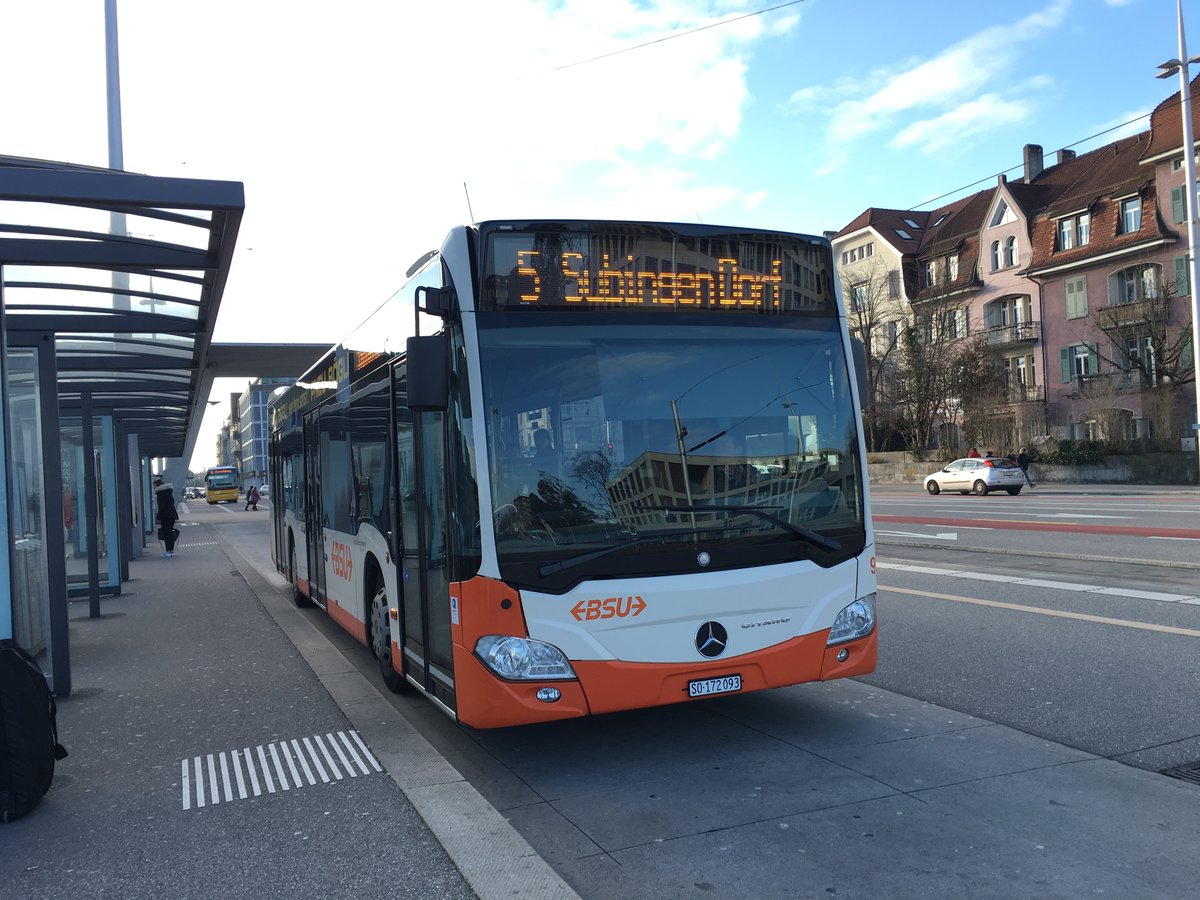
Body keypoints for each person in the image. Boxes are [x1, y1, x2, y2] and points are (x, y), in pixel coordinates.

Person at [154, 477, 179, 557]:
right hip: (171, 515)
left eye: (154, 486)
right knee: (169, 533)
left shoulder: (161, 494)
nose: (153, 487)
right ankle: (170, 551)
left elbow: (162, 506)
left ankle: (168, 551)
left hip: (166, 516)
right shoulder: (167, 492)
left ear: (157, 485)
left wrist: (159, 516)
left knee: (166, 533)